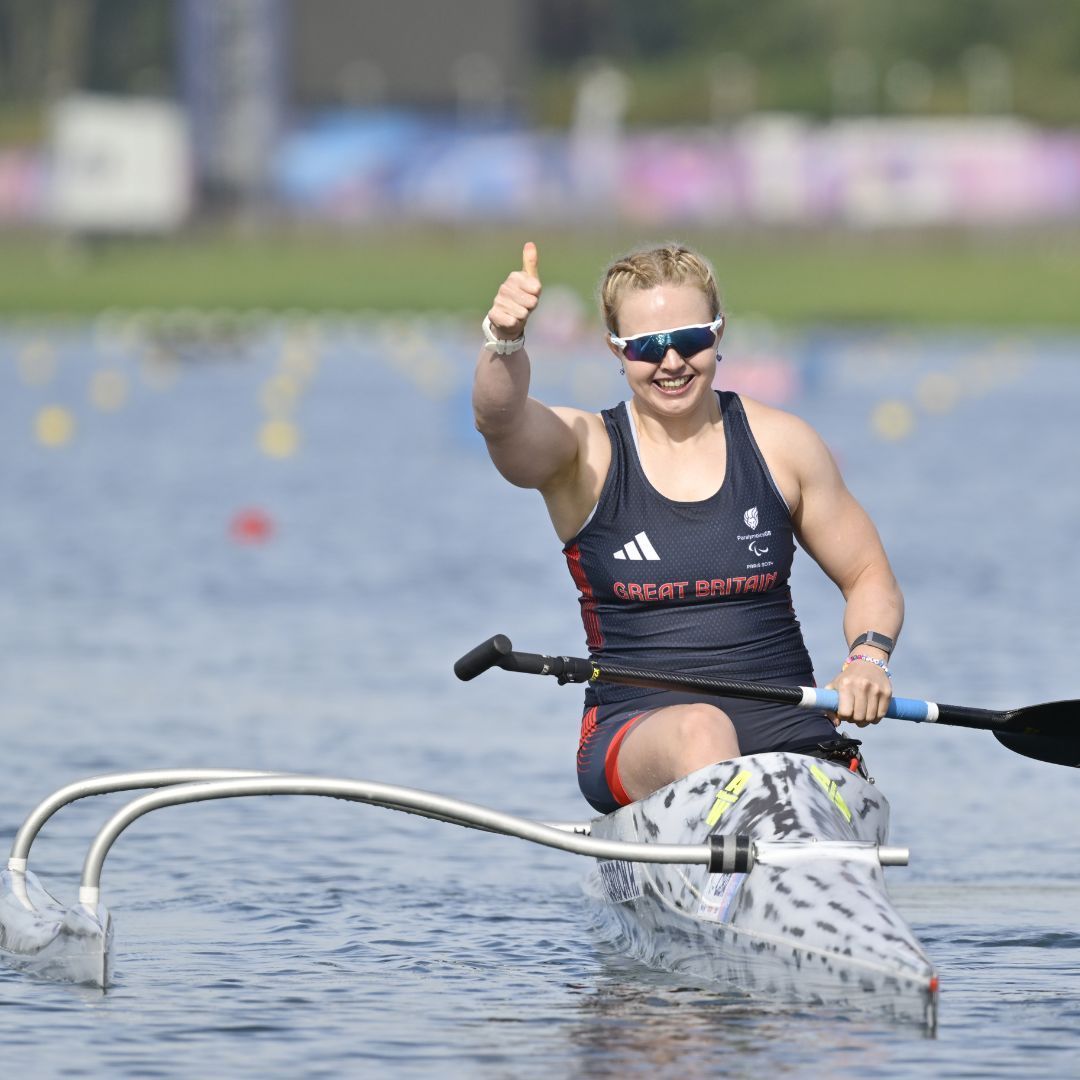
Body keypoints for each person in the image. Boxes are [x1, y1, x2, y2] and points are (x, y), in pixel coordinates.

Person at [472, 241, 902, 814]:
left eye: (691, 339)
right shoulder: (584, 452)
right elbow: (499, 422)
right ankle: (730, 877)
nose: (671, 362)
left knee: (752, 755)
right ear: (616, 351)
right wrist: (505, 340)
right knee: (702, 728)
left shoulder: (783, 445)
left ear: (718, 335)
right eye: (648, 347)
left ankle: (763, 852)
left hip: (789, 734)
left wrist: (867, 659)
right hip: (636, 734)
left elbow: (869, 573)